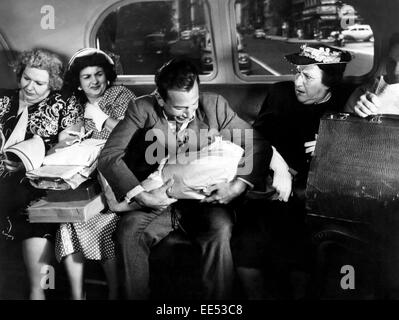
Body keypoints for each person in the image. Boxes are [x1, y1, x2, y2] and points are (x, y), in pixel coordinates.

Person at [98, 58, 273, 300]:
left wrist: (235, 187)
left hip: (204, 202)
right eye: (180, 108)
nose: (190, 113)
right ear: (160, 99)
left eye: (193, 103)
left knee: (220, 228)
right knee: (128, 231)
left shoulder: (214, 106)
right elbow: (109, 156)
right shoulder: (142, 108)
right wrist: (143, 196)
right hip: (159, 199)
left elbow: (258, 144)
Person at [232, 44, 352, 299]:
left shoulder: (344, 102)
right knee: (248, 239)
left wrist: (334, 142)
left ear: (329, 83)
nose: (297, 80)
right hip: (269, 182)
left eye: (307, 76)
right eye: (297, 72)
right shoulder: (279, 93)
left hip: (311, 191)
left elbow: (363, 147)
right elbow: (255, 138)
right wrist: (278, 169)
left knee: (301, 243)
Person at [0, 48, 82, 300]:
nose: (30, 87)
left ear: (52, 83)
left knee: (29, 206)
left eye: (39, 83)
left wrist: (33, 158)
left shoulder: (65, 104)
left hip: (35, 180)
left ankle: (39, 291)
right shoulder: (2, 100)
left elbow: (73, 148)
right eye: (26, 79)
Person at [55, 48, 136, 300]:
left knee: (103, 220)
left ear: (107, 74)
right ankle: (78, 295)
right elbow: (63, 142)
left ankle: (113, 292)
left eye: (98, 74)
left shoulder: (121, 95)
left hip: (112, 176)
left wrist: (100, 118)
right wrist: (63, 139)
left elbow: (131, 133)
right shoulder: (72, 104)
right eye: (86, 76)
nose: (94, 81)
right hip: (79, 176)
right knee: (66, 220)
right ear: (78, 82)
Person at [345, 33, 399, 116]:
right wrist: (358, 112)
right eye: (391, 62)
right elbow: (343, 125)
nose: (395, 71)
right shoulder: (365, 92)